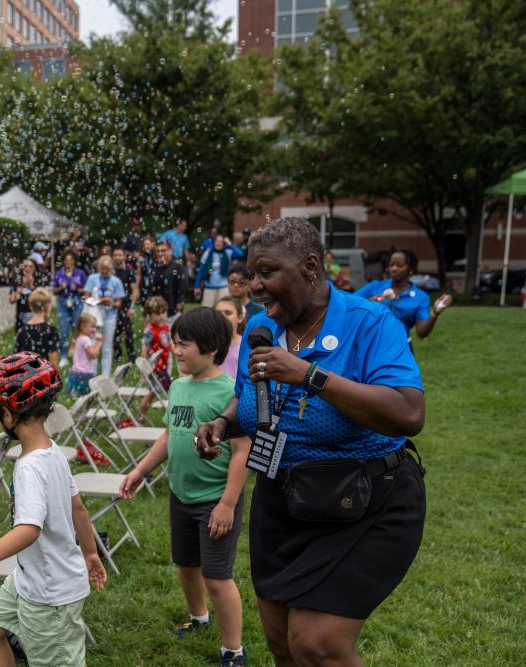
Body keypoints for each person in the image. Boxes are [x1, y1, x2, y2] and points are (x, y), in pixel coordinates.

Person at [195, 217, 427, 667]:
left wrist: (309, 374)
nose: (256, 286)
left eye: (267, 273)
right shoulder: (261, 328)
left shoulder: (370, 322)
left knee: (317, 645)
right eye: (252, 274)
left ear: (309, 267)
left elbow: (409, 413)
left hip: (365, 501)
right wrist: (224, 424)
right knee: (282, 643)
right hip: (284, 504)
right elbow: (251, 400)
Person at [0, 352, 106, 667]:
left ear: (7, 416)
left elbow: (29, 530)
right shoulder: (53, 451)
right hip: (30, 577)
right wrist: (89, 553)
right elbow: (78, 508)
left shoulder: (30, 467)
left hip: (49, 595)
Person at [120, 308, 250, 667]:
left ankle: (233, 649)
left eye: (183, 345)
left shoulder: (230, 394)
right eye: (174, 344)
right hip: (181, 494)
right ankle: (199, 619)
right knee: (186, 565)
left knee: (217, 577)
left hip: (215, 500)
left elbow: (241, 453)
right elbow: (168, 435)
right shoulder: (178, 386)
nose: (175, 351)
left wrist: (227, 504)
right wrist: (140, 470)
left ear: (211, 348)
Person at [355, 249, 453, 342]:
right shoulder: (375, 287)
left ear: (410, 269)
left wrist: (434, 314)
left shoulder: (420, 297)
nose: (394, 269)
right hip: (372, 345)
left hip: (401, 348)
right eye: (391, 265)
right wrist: (369, 302)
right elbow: (349, 303)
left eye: (399, 265)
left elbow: (421, 333)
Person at [82, 255, 125, 375]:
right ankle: (92, 372)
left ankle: (106, 375)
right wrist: (97, 300)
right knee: (93, 344)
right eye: (102, 269)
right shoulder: (92, 278)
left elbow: (118, 303)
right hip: (95, 316)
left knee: (107, 346)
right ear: (98, 268)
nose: (105, 272)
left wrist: (110, 302)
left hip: (110, 316)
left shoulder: (116, 281)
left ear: (111, 269)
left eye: (107, 269)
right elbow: (85, 297)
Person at [136, 296, 171, 423]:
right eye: (157, 314)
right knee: (156, 391)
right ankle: (141, 415)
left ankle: (142, 415)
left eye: (163, 312)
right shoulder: (150, 330)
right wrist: (144, 365)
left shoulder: (166, 327)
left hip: (164, 365)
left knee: (156, 392)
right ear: (149, 315)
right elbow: (144, 347)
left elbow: (169, 343)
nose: (161, 316)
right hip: (154, 367)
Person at [51, 248, 87, 365]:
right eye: (66, 260)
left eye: (71, 260)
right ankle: (64, 356)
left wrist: (77, 289)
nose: (68, 262)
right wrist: (61, 288)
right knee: (64, 330)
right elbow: (54, 291)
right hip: (62, 302)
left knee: (78, 329)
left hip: (76, 302)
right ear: (63, 261)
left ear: (74, 261)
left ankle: (79, 355)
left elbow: (85, 291)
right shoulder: (58, 274)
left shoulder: (80, 273)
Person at [195, 234, 245, 308]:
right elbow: (201, 271)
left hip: (223, 287)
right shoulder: (207, 253)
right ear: (214, 242)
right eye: (217, 241)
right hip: (209, 287)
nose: (219, 243)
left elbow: (240, 254)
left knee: (224, 310)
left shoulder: (227, 252)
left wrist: (230, 243)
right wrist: (197, 286)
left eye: (221, 241)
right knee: (206, 311)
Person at [14, 288, 60, 365]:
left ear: (30, 306)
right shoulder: (51, 330)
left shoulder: (22, 330)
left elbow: (16, 358)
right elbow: (53, 358)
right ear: (48, 307)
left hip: (27, 374)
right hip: (44, 374)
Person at [112, 248, 139, 365]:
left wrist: (132, 307)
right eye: (115, 255)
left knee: (128, 333)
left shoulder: (129, 271)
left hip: (126, 306)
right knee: (115, 333)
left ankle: (132, 358)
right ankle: (117, 357)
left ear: (124, 257)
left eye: (120, 255)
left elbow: (134, 290)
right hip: (113, 307)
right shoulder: (111, 272)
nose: (118, 257)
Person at [150, 241, 188, 319]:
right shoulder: (154, 269)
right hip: (156, 310)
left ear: (170, 251)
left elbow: (183, 286)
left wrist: (180, 302)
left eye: (163, 251)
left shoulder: (178, 267)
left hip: (172, 309)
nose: (160, 253)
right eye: (158, 251)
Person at [66, 313, 100, 396]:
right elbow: (93, 355)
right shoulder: (85, 340)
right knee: (86, 397)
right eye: (92, 327)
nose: (94, 329)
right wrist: (99, 342)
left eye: (95, 327)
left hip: (77, 372)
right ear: (83, 327)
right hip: (84, 374)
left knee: (79, 397)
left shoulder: (80, 338)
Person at [215, 297, 245, 380]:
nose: (222, 317)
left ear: (240, 317)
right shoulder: (207, 345)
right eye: (218, 313)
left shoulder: (246, 346)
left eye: (228, 313)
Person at [8, 258, 37, 334]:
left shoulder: (37, 280)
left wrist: (31, 286)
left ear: (34, 269)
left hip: (35, 316)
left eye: (31, 266)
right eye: (25, 266)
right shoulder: (17, 281)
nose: (28, 268)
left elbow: (39, 300)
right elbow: (11, 300)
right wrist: (17, 292)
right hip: (20, 316)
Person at [135, 235, 157, 307]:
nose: (146, 246)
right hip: (144, 284)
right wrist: (137, 287)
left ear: (152, 245)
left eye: (148, 244)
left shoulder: (156, 256)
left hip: (155, 282)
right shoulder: (141, 258)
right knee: (145, 305)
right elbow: (139, 274)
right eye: (144, 244)